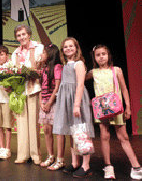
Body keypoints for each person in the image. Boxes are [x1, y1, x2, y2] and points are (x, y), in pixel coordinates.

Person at [86, 44, 142, 180]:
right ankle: (108, 166)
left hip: (117, 109)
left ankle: (135, 166)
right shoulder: (93, 72)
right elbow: (80, 81)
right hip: (102, 109)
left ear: (108, 55)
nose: (101, 57)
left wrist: (128, 107)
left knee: (123, 137)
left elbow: (124, 89)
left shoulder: (116, 70)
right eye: (97, 55)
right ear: (94, 57)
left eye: (103, 54)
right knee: (104, 136)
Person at [52, 37, 95, 178]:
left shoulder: (79, 64)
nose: (68, 48)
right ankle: (75, 162)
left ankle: (86, 165)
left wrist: (76, 105)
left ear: (76, 48)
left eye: (71, 46)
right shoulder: (66, 65)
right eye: (65, 47)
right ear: (62, 50)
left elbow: (80, 85)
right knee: (71, 131)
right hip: (66, 100)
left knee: (80, 131)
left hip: (76, 99)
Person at [11, 24, 44, 165]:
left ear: (29, 34)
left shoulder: (39, 47)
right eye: (19, 35)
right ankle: (22, 154)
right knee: (21, 123)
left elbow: (41, 66)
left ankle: (36, 155)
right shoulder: (15, 53)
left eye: (23, 34)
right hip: (20, 91)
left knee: (33, 123)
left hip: (34, 88)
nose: (21, 37)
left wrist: (30, 70)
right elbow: (13, 70)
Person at [37, 44, 64, 169]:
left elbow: (57, 87)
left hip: (54, 101)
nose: (41, 54)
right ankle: (50, 155)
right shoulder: (44, 68)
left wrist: (50, 102)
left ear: (50, 54)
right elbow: (41, 86)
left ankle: (60, 159)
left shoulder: (57, 67)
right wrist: (41, 102)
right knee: (47, 130)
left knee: (57, 130)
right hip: (45, 100)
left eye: (43, 52)